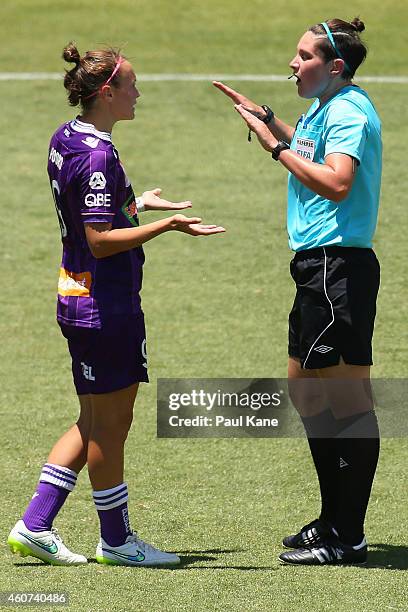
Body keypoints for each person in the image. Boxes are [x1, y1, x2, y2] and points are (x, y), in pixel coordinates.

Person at [8, 43, 225, 567]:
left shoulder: (69, 136)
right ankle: (117, 540)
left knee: (91, 420)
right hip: (105, 306)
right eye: (131, 85)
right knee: (111, 425)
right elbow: (101, 238)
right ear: (107, 92)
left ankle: (35, 525)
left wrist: (136, 203)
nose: (138, 93)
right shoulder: (99, 155)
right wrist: (166, 225)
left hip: (78, 297)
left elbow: (91, 205)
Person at [214, 17, 381, 565]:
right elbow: (310, 148)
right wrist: (273, 124)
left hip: (338, 269)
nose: (293, 63)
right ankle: (331, 518)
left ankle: (348, 537)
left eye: (304, 56)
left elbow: (336, 182)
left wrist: (272, 149)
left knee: (349, 405)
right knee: (306, 392)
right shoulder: (324, 107)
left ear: (335, 67)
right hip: (314, 267)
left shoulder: (351, 111)